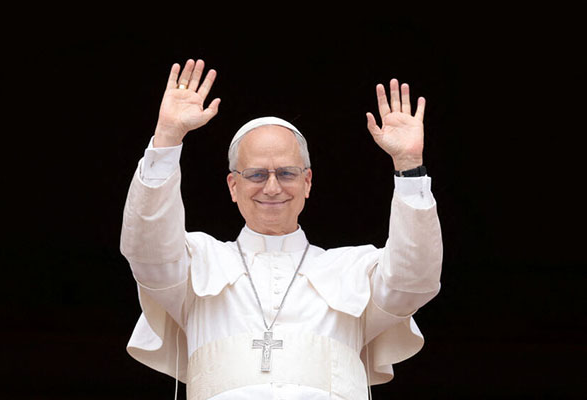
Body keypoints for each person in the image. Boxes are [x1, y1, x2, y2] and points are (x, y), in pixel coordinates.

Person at [120, 59, 443, 400]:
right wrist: (167, 139)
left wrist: (409, 166)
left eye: (287, 173)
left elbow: (415, 279)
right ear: (233, 186)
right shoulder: (196, 261)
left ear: (307, 182)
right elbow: (146, 249)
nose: (272, 188)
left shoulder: (355, 270)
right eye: (256, 175)